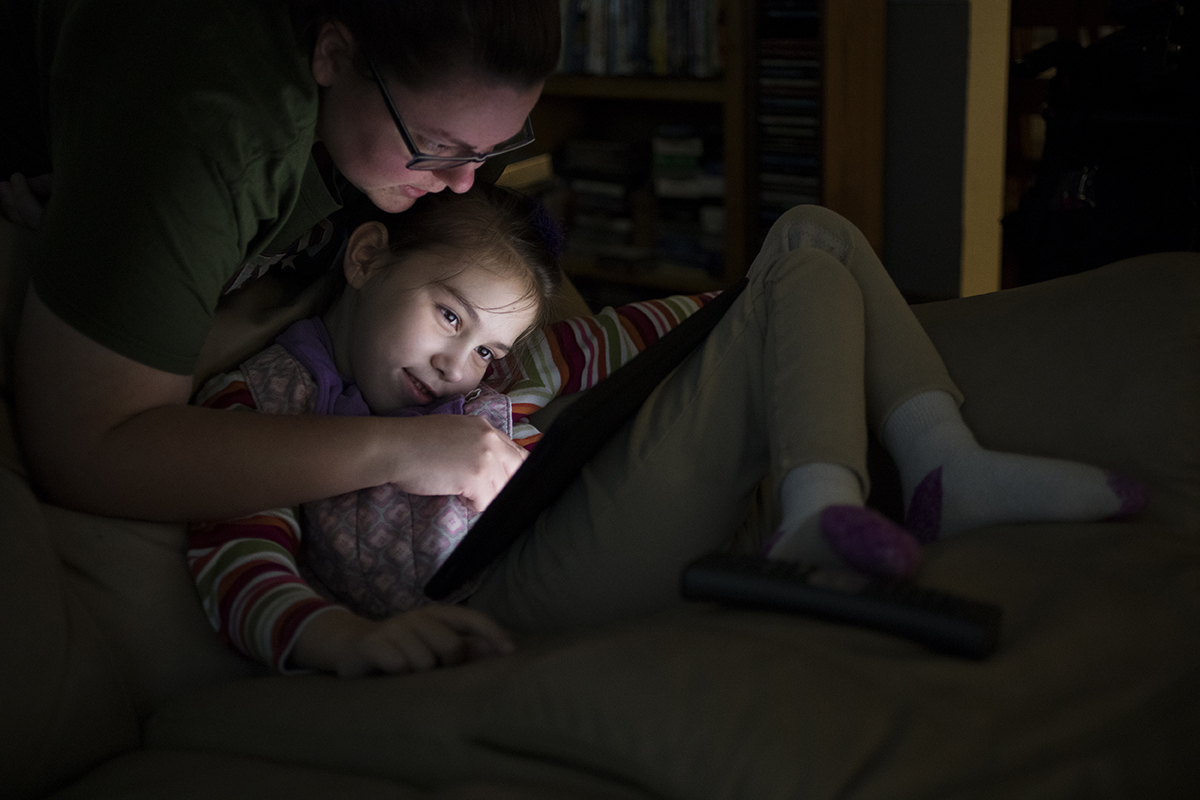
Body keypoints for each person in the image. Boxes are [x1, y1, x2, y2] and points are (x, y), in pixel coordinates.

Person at [1, 0, 560, 522]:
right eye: (435, 145)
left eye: (492, 148)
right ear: (334, 56)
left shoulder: (453, 119)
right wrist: (402, 451)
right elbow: (86, 449)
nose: (463, 183)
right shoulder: (211, 126)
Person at [188, 182, 721, 677]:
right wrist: (347, 639)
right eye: (449, 316)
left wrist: (743, 298)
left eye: (487, 349)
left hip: (591, 541)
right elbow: (240, 566)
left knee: (794, 266)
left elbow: (648, 329)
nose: (458, 368)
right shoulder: (263, 403)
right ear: (367, 258)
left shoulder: (508, 375)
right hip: (512, 609)